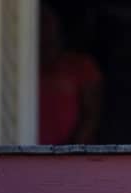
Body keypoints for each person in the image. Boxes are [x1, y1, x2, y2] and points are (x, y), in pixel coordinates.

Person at [38, 5, 102, 145]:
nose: (42, 28)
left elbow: (91, 115)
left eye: (45, 21)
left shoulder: (82, 66)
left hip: (73, 157)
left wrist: (70, 151)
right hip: (29, 156)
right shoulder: (25, 71)